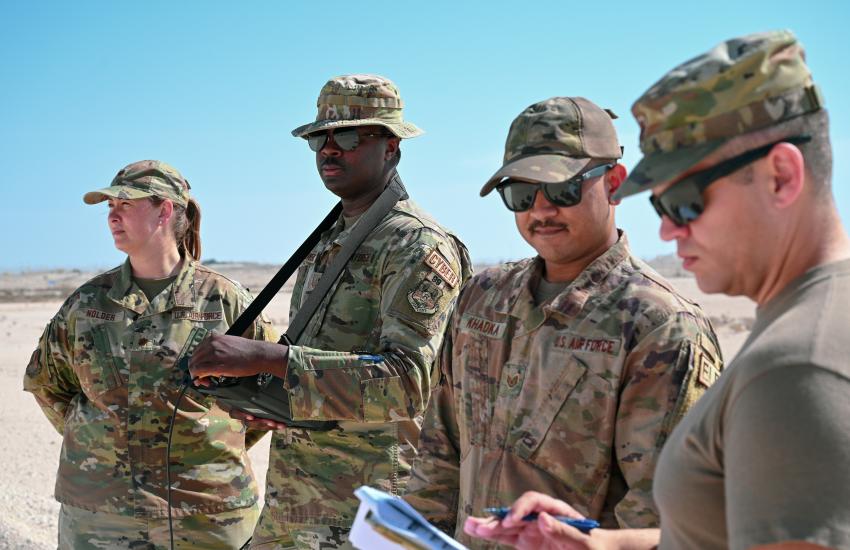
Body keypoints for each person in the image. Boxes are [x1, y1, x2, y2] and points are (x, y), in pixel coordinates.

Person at [465, 30, 850, 550]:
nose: (667, 230)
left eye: (686, 203)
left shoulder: (798, 367)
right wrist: (595, 544)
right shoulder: (805, 328)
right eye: (520, 193)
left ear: (781, 176)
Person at [405, 96, 722, 548]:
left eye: (562, 189)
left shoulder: (659, 327)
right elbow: (439, 457)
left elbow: (662, 515)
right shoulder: (482, 299)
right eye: (520, 193)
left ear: (614, 184)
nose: (541, 210)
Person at [188, 74, 472, 549]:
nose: (328, 150)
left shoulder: (415, 245)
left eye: (346, 136)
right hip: (298, 502)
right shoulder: (332, 237)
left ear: (391, 147)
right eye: (319, 138)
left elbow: (407, 382)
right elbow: (328, 366)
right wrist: (277, 399)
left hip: (369, 512)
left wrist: (268, 360)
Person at [23, 160, 279, 549]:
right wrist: (104, 439)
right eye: (109, 207)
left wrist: (208, 442)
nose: (112, 216)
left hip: (205, 514)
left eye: (124, 204)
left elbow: (267, 393)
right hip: (100, 515)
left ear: (165, 210)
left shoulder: (225, 302)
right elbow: (48, 384)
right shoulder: (87, 303)